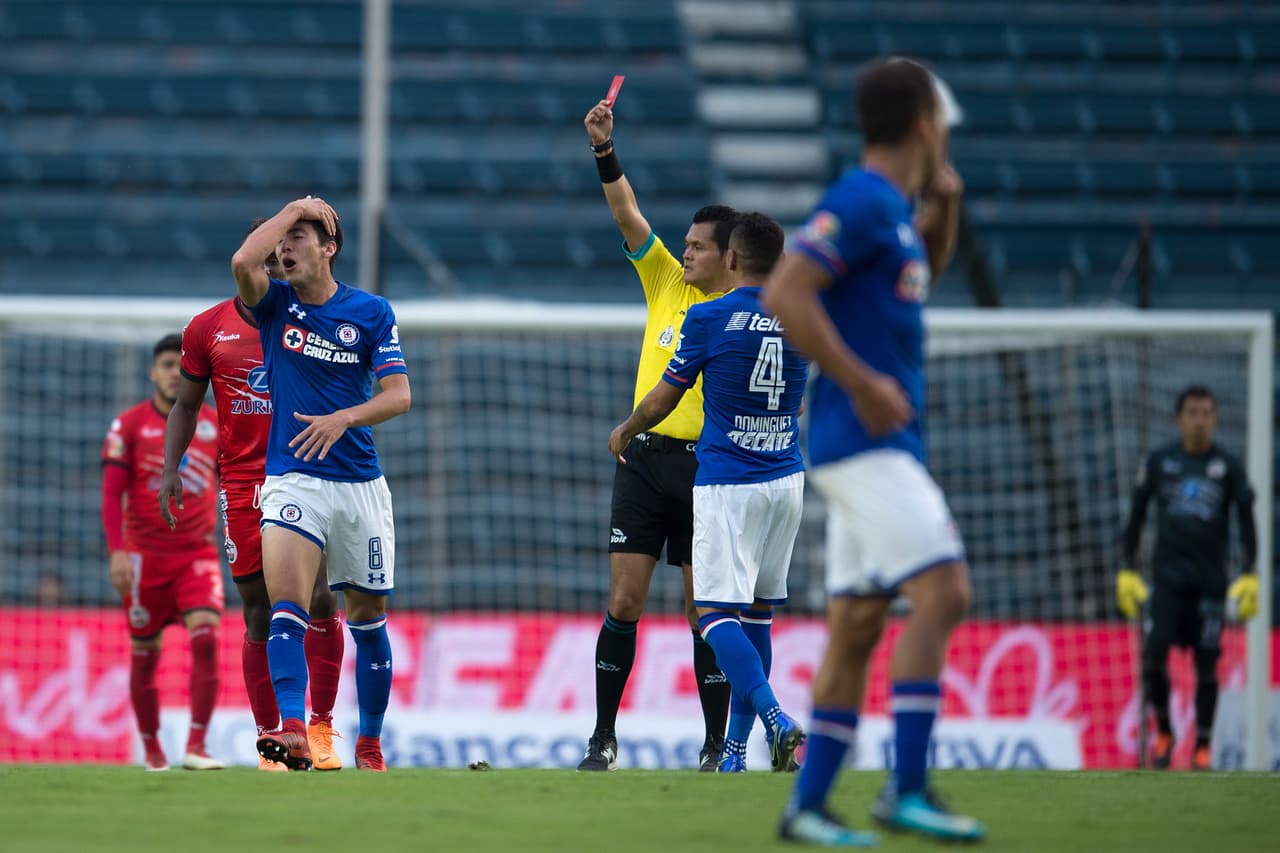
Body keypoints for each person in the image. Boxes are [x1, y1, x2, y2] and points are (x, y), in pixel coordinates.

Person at [764, 58, 984, 845]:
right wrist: (859, 382)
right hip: (863, 442)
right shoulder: (859, 200)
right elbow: (786, 290)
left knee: (857, 625)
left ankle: (809, 806)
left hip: (874, 442)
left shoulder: (892, 211)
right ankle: (908, 786)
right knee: (946, 592)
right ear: (926, 124)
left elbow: (913, 276)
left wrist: (943, 212)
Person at [608, 213, 808, 774]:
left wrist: (626, 429)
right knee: (759, 617)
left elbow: (663, 399)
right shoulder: (803, 316)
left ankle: (776, 720)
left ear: (734, 260)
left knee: (715, 616)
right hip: (786, 479)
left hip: (727, 482)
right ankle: (736, 754)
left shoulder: (709, 315)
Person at [578, 99, 736, 771]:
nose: (687, 251)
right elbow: (626, 212)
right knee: (624, 598)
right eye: (687, 244)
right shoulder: (666, 280)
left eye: (699, 245)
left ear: (731, 257)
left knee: (705, 611)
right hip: (643, 462)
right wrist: (604, 151)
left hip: (709, 468)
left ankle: (713, 743)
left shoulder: (743, 309)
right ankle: (603, 737)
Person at [159, 221, 346, 772]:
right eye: (262, 255)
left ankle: (319, 728)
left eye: (277, 257)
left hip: (304, 476)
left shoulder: (305, 318)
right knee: (258, 612)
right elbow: (187, 406)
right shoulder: (207, 329)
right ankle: (271, 741)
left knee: (320, 601)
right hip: (241, 484)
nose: (270, 266)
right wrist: (172, 469)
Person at [231, 197, 409, 772]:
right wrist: (294, 210)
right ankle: (293, 731)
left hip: (358, 483)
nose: (287, 247)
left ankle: (369, 744)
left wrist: (343, 418)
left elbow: (398, 396)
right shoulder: (275, 305)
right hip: (292, 478)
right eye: (283, 239)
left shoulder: (371, 310)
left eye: (301, 237)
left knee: (368, 620)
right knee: (287, 606)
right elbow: (242, 262)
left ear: (329, 249)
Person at [1117, 384, 1259, 772]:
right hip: (1167, 581)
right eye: (1192, 412)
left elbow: (1246, 522)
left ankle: (1203, 746)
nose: (1199, 420)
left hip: (1210, 583)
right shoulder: (1161, 462)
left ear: (1214, 419)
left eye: (1207, 412)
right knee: (1154, 654)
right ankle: (1164, 733)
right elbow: (1135, 516)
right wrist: (1126, 569)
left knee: (1207, 663)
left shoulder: (1228, 467)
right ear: (1179, 418)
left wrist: (1250, 573)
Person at [102, 333, 224, 772]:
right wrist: (117, 553)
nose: (176, 373)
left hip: (196, 555)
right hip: (143, 560)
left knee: (208, 639)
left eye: (182, 365)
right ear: (154, 373)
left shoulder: (213, 425)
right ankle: (153, 752)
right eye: (168, 365)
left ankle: (196, 746)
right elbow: (111, 495)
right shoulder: (128, 426)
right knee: (145, 655)